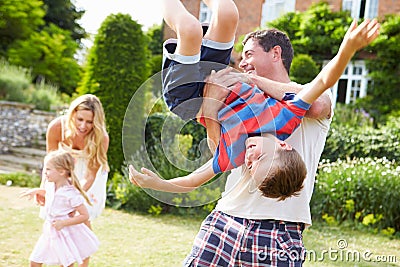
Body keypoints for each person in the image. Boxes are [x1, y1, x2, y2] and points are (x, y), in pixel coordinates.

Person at [132, 18, 380, 266]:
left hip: (280, 229)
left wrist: (252, 81)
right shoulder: (241, 103)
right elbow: (217, 148)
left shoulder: (303, 95)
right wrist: (211, 103)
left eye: (249, 54)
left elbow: (316, 106)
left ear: (275, 53)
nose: (242, 63)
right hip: (226, 218)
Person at [44, 94, 109, 267]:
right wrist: (46, 190)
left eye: (89, 122)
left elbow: (90, 175)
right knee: (58, 225)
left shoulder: (101, 137)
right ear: (72, 114)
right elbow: (49, 163)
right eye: (80, 119)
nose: (83, 126)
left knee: (81, 226)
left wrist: (72, 200)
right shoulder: (57, 127)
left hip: (87, 181)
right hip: (62, 172)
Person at [21, 150, 99, 267]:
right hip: (50, 230)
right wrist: (37, 191)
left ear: (62, 171)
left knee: (66, 263)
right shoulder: (51, 185)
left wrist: (63, 223)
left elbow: (84, 216)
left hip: (64, 231)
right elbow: (50, 194)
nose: (45, 172)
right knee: (34, 261)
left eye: (48, 169)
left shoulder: (71, 193)